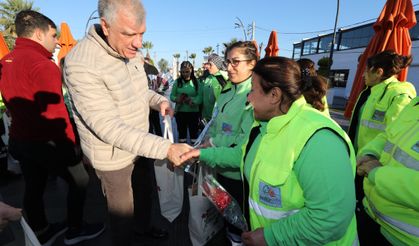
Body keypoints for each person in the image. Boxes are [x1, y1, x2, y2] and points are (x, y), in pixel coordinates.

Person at [180, 56, 358, 245]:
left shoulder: (319, 140)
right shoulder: (263, 126)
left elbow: (331, 219)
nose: (248, 98)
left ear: (274, 95)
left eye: (253, 90)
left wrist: (271, 235)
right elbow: (243, 154)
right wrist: (202, 154)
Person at [63, 0, 192, 245]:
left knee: (144, 194)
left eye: (142, 34)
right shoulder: (81, 63)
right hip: (112, 156)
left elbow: (140, 91)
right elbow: (107, 126)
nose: (138, 43)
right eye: (130, 34)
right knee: (122, 212)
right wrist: (166, 148)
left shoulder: (131, 52)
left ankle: (143, 229)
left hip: (140, 143)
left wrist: (159, 102)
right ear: (105, 25)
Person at [0, 10, 106, 246]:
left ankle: (42, 230)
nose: (56, 40)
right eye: (53, 35)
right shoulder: (43, 65)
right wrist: (74, 149)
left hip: (20, 139)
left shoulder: (5, 62)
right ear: (38, 34)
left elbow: (9, 103)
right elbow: (56, 113)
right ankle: (75, 229)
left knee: (34, 185)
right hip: (47, 141)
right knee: (79, 181)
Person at [347, 51, 416, 244]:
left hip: (378, 175)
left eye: (366, 71)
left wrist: (374, 167)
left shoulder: (399, 95)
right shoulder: (370, 92)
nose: (362, 75)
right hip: (366, 167)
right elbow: (386, 133)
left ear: (378, 72)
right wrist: (366, 154)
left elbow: (391, 133)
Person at [201, 41, 257, 245]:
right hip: (220, 167)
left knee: (240, 224)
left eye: (236, 62)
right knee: (227, 217)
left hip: (238, 174)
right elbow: (217, 122)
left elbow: (245, 140)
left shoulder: (254, 93)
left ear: (252, 63)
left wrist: (213, 142)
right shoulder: (228, 89)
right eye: (228, 62)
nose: (229, 67)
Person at [356, 97, 419, 245]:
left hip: (404, 238)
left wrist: (377, 174)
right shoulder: (415, 103)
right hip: (371, 214)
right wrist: (370, 153)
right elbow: (388, 135)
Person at [170, 61, 202, 144]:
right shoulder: (177, 82)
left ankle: (194, 154)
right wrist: (178, 99)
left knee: (194, 136)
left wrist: (192, 100)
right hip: (180, 113)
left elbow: (200, 97)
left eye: (187, 71)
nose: (185, 74)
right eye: (183, 72)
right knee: (182, 136)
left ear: (191, 70)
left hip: (193, 113)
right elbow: (172, 96)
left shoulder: (196, 82)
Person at [200, 54, 228, 122]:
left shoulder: (225, 77)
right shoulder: (208, 78)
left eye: (210, 64)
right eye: (206, 64)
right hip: (206, 117)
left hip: (219, 118)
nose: (207, 66)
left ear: (217, 64)